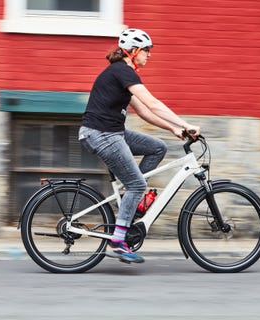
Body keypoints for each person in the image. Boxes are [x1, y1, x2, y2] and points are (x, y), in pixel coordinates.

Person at [78, 28, 200, 263]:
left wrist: (173, 129)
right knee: (137, 184)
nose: (149, 55)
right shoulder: (122, 71)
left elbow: (143, 111)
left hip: (113, 132)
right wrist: (186, 124)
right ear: (133, 52)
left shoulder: (123, 74)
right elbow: (153, 103)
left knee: (157, 147)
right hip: (102, 134)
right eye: (146, 50)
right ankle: (118, 242)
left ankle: (129, 204)